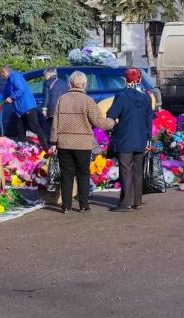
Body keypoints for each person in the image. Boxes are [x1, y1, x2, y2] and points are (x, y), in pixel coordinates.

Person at [50, 71, 115, 212]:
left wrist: (54, 142)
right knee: (83, 173)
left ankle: (66, 206)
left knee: (66, 174)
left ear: (70, 84)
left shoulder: (62, 99)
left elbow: (55, 122)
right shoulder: (88, 101)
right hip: (83, 143)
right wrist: (113, 122)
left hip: (64, 143)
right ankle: (84, 204)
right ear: (85, 84)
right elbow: (99, 122)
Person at [107, 67, 155, 212]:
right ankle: (137, 202)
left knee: (125, 170)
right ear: (139, 79)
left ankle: (125, 203)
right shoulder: (146, 97)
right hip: (140, 138)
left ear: (125, 79)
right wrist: (148, 139)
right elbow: (149, 120)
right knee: (137, 171)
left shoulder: (121, 95)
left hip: (124, 138)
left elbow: (112, 114)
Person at [0, 65, 49, 146]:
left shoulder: (15, 77)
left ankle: (46, 146)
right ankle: (23, 146)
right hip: (20, 110)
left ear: (4, 72)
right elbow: (3, 93)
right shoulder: (8, 81)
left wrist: (11, 97)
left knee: (34, 126)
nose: (1, 77)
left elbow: (20, 89)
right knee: (20, 127)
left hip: (27, 107)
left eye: (1, 74)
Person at [41, 67, 69, 142]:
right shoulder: (64, 83)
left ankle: (52, 144)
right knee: (61, 128)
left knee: (51, 128)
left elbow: (46, 97)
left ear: (49, 74)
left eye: (45, 75)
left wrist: (44, 109)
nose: (45, 77)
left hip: (52, 110)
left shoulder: (47, 83)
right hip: (64, 109)